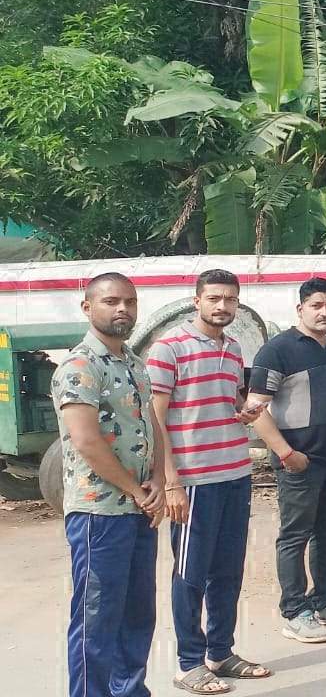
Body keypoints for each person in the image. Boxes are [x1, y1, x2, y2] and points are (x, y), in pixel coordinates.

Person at [147, 269, 271, 693]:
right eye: (214, 298)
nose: (223, 306)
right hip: (193, 480)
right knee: (191, 573)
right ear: (196, 299)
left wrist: (244, 411)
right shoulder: (169, 348)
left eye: (230, 300)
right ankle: (188, 663)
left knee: (228, 570)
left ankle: (220, 653)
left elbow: (225, 402)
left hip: (235, 471)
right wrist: (170, 483)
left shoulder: (234, 348)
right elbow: (155, 419)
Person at [54, 273, 167, 697]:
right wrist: (137, 490)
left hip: (140, 509)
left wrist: (156, 478)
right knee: (96, 618)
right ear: (88, 308)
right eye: (112, 301)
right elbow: (86, 440)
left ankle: (129, 690)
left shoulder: (134, 361)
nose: (123, 309)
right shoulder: (80, 366)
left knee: (138, 612)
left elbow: (150, 422)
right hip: (99, 513)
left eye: (130, 302)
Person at [247, 277, 326, 643]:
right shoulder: (278, 350)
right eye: (317, 305)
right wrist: (286, 453)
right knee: (295, 535)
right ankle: (295, 610)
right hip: (299, 464)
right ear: (300, 309)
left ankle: (324, 601)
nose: (324, 312)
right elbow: (254, 409)